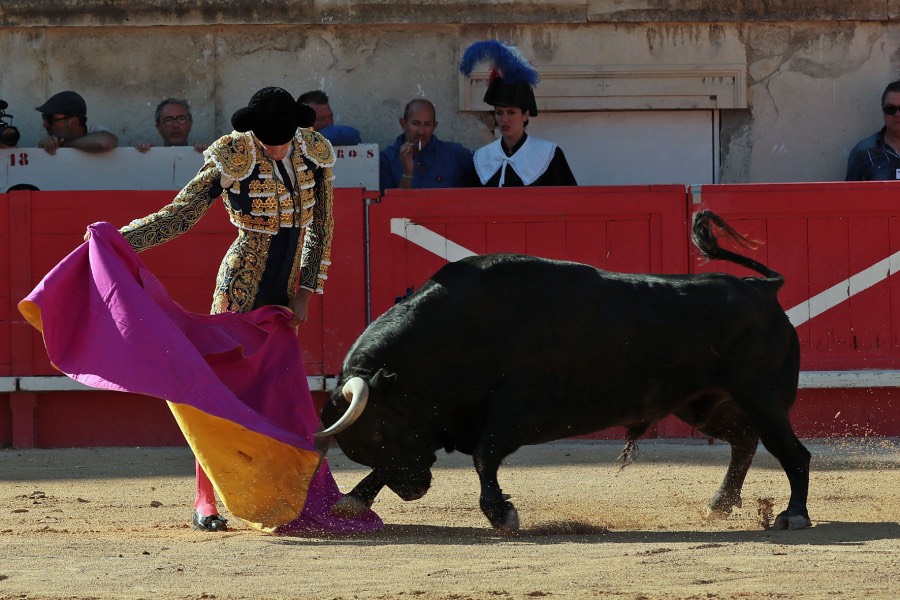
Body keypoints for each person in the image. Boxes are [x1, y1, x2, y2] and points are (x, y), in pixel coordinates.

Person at [89, 87, 344, 532]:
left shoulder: (315, 152)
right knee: (219, 393)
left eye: (283, 138)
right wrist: (121, 241)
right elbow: (181, 214)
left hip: (284, 295)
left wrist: (306, 292)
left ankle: (284, 493)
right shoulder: (231, 155)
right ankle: (205, 500)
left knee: (279, 391)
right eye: (269, 139)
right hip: (240, 285)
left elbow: (321, 226)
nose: (277, 147)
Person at [460, 40, 577, 187]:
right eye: (499, 112)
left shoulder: (549, 154)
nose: (504, 119)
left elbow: (568, 201)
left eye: (511, 112)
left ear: (525, 115)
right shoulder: (482, 157)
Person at [379, 98, 476, 192]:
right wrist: (407, 174)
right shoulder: (387, 159)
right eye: (415, 123)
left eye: (427, 124)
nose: (421, 131)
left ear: (434, 126)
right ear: (403, 124)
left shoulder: (454, 154)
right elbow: (392, 206)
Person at [846, 80, 900, 181]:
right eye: (890, 109)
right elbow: (850, 195)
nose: (897, 114)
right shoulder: (863, 153)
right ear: (883, 110)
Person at [35, 91, 118, 155]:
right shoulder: (54, 139)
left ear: (73, 121)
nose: (44, 124)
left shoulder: (95, 131)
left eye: (50, 119)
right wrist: (42, 147)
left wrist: (65, 145)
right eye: (44, 117)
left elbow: (104, 142)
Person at [134, 97, 208, 153]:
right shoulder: (151, 155)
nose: (175, 125)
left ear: (190, 124)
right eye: (168, 120)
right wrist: (142, 153)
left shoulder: (205, 154)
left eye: (181, 119)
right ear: (158, 127)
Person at [297, 89, 361, 146]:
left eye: (330, 117)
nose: (329, 123)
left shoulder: (335, 136)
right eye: (321, 119)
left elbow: (352, 135)